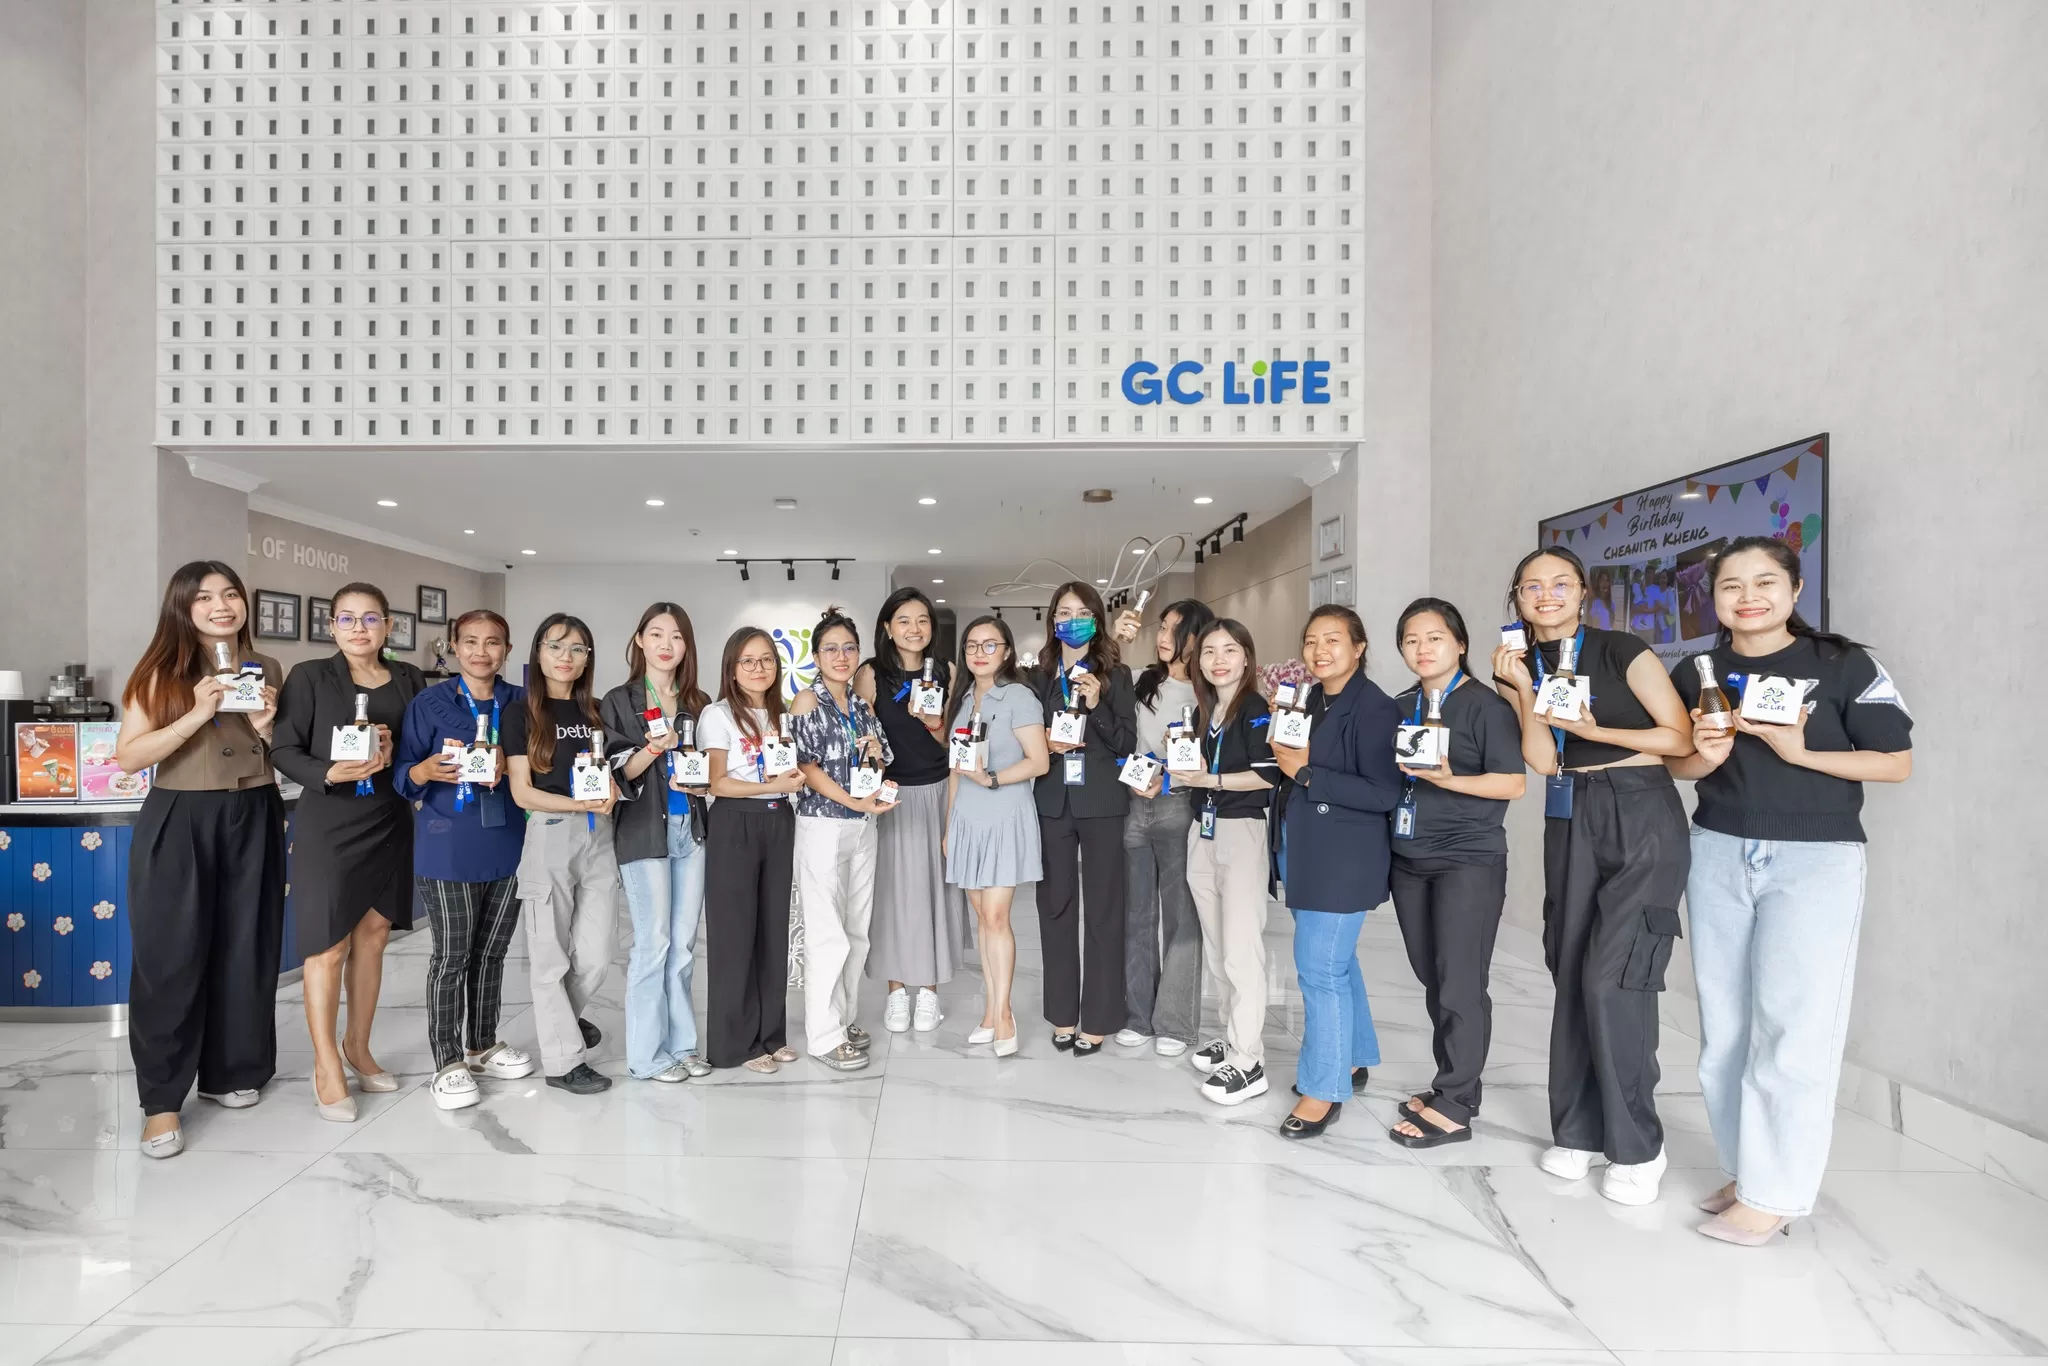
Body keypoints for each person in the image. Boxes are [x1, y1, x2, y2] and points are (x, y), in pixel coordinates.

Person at [1668, 537, 1911, 1244]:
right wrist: (1703, 755)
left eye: (1765, 582)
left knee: (1793, 1029)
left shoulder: (1840, 663)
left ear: (1795, 590)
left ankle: (1774, 1194)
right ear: (1713, 599)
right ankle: (1747, 1170)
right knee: (1725, 1029)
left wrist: (1799, 752)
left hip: (1815, 860)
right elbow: (1680, 766)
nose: (1749, 597)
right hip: (1717, 849)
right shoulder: (1699, 671)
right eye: (1731, 586)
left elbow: (1896, 763)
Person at [1491, 546, 1693, 1204]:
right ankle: (1577, 1131)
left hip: (1641, 810)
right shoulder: (1518, 665)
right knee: (1572, 968)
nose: (1546, 595)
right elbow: (1543, 760)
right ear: (1518, 599)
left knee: (1616, 978)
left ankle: (1638, 1146)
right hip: (1570, 811)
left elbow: (1680, 738)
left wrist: (1596, 729)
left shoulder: (1621, 650)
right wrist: (1525, 693)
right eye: (1531, 586)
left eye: (1560, 584)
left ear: (1583, 592)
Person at [116, 561, 285, 1158]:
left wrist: (265, 726)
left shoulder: (267, 668)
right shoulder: (158, 671)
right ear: (182, 607)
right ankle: (161, 1102)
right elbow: (129, 757)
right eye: (205, 597)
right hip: (181, 814)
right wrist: (195, 713)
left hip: (255, 810)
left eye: (231, 594)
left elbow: (276, 751)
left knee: (246, 944)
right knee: (170, 954)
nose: (221, 606)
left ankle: (231, 1070)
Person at [271, 582, 425, 1123]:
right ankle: (326, 1064)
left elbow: (418, 749)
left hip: (388, 818)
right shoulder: (311, 676)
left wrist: (396, 753)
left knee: (374, 936)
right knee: (328, 946)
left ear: (388, 626)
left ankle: (358, 1047)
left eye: (370, 618)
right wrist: (331, 772)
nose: (359, 628)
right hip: (330, 823)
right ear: (331, 625)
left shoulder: (409, 678)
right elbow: (283, 748)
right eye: (347, 618)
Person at [1386, 598, 1526, 1147]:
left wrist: (1447, 780)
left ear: (1460, 644)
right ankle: (1452, 1080)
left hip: (1468, 859)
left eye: (1434, 638)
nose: (1422, 648)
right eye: (1411, 640)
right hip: (1409, 860)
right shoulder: (1400, 706)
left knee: (1461, 983)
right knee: (1433, 976)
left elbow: (1512, 783)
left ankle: (1457, 1101)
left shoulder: (1485, 706)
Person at [393, 609, 538, 1111]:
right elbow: (401, 774)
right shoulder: (429, 704)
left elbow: (541, 765)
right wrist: (426, 770)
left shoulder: (522, 703)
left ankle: (482, 1044)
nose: (481, 652)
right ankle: (448, 1060)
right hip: (447, 842)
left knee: (492, 951)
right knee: (452, 955)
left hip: (509, 840)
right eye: (470, 641)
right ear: (454, 646)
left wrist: (511, 767)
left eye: (492, 642)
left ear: (507, 650)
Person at [1269, 606, 1404, 1139]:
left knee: (1319, 970)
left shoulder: (1376, 709)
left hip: (1343, 857)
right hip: (1305, 848)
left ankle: (1323, 1089)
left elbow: (1384, 792)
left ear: (1359, 646)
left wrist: (1306, 772)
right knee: (1336, 963)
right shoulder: (1309, 700)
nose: (1319, 650)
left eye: (1332, 640)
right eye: (1311, 641)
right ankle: (1352, 1057)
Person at [598, 602, 714, 1084]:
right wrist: (652, 748)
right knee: (653, 943)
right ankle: (647, 1056)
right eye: (657, 634)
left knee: (683, 945)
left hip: (692, 829)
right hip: (644, 831)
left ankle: (682, 1045)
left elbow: (710, 768)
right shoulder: (618, 700)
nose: (667, 645)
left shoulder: (700, 702)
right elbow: (617, 772)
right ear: (640, 640)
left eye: (677, 636)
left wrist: (705, 780)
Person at [504, 613, 619, 1096]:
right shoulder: (520, 713)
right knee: (549, 955)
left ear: (588, 658)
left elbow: (611, 770)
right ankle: (563, 1061)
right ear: (538, 653)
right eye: (555, 646)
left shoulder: (596, 711)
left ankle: (563, 1022)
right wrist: (577, 805)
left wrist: (611, 791)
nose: (565, 657)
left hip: (600, 835)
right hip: (550, 832)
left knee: (597, 954)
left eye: (577, 649)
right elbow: (522, 791)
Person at [1168, 618, 1278, 1105]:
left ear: (1247, 657)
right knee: (1216, 947)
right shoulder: (1203, 710)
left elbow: (1267, 776)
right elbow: (1191, 770)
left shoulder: (1254, 708)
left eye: (1229, 650)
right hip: (1203, 830)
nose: (1218, 660)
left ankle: (1249, 1061)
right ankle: (1232, 1037)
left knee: (1240, 949)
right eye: (1209, 651)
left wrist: (1208, 781)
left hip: (1240, 831)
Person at [855, 588, 969, 1035]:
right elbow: (861, 739)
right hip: (891, 796)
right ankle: (897, 991)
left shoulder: (948, 671)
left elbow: (953, 742)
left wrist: (934, 723)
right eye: (903, 620)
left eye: (922, 620)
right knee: (893, 895)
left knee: (937, 892)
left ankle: (930, 991)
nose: (914, 629)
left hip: (938, 790)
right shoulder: (870, 674)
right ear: (887, 627)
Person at [1031, 581, 1138, 1054]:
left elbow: (1126, 742)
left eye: (1080, 612)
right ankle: (1062, 1013)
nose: (1070, 620)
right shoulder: (1038, 676)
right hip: (1053, 801)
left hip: (1101, 803)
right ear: (1052, 620)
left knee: (1103, 910)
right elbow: (1025, 737)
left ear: (1096, 619)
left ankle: (1098, 1017)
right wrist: (1047, 745)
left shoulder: (1117, 674)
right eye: (1063, 612)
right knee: (1054, 907)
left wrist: (1096, 707)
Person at [790, 607, 896, 1071]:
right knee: (827, 932)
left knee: (856, 930)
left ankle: (844, 1017)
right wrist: (853, 801)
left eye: (849, 647)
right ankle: (823, 1034)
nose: (841, 656)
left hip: (863, 825)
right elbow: (806, 767)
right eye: (830, 648)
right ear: (816, 656)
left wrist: (875, 757)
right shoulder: (806, 702)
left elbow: (882, 759)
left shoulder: (862, 706)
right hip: (823, 824)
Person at [1111, 597, 1215, 1057]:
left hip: (1180, 806)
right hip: (1134, 806)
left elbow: (1213, 758)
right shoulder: (1141, 682)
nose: (1164, 636)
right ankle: (1138, 1015)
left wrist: (1168, 778)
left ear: (1196, 637)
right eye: (1162, 627)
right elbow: (1116, 736)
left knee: (1181, 917)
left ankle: (1175, 1022)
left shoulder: (1208, 694)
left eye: (1175, 629)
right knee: (1137, 915)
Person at [944, 615, 1050, 1056]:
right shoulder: (963, 698)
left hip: (1005, 813)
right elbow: (956, 769)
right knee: (981, 917)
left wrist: (991, 779)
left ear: (1006, 651)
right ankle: (990, 1011)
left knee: (995, 916)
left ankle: (1004, 1015)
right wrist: (949, 826)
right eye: (972, 645)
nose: (979, 653)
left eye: (990, 645)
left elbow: (1039, 761)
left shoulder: (1019, 696)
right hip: (967, 817)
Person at [699, 627, 804, 1073]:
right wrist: (770, 785)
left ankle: (770, 1035)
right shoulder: (717, 714)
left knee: (773, 933)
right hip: (735, 821)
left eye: (766, 659)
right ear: (732, 667)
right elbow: (717, 783)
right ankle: (733, 1045)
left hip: (779, 821)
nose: (759, 668)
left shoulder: (784, 715)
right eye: (748, 660)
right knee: (735, 935)